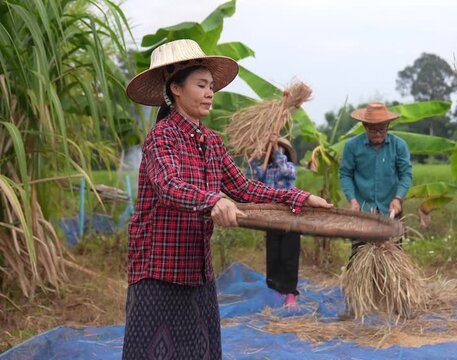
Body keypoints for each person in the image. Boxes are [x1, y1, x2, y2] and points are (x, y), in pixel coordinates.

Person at [123, 39, 331, 359]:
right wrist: (213, 201)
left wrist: (298, 197)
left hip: (196, 266)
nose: (210, 93)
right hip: (159, 266)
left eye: (211, 87)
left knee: (200, 349)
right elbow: (169, 184)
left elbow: (245, 189)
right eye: (201, 85)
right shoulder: (161, 136)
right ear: (175, 88)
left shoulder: (211, 141)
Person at [339, 102, 412, 257]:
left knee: (393, 256)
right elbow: (345, 174)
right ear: (365, 126)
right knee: (360, 256)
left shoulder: (399, 145)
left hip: (390, 208)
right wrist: (352, 200)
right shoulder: (352, 146)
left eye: (382, 129)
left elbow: (406, 174)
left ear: (388, 126)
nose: (378, 134)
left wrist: (398, 198)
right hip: (363, 210)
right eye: (373, 130)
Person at [247, 134, 301, 307]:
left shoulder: (288, 167)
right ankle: (275, 290)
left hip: (290, 215)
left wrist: (276, 149)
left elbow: (287, 172)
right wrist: (258, 153)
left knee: (289, 255)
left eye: (281, 150)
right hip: (271, 215)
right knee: (274, 254)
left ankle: (290, 292)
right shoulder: (265, 169)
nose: (277, 153)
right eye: (274, 151)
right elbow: (254, 179)